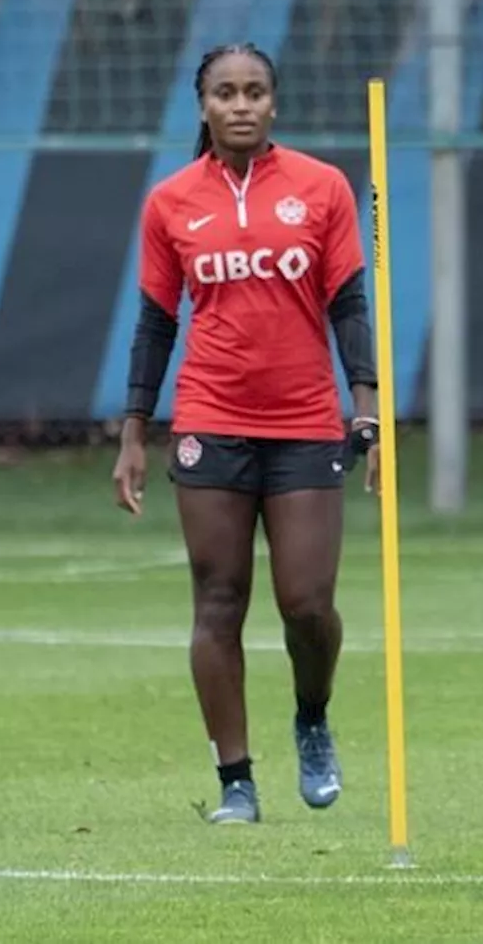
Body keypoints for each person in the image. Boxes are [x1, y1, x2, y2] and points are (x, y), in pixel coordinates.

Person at [111, 43, 381, 825]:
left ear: (273, 104)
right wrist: (134, 431)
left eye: (254, 92)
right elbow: (156, 324)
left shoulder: (320, 188)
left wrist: (364, 400)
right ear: (203, 105)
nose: (239, 104)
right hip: (209, 419)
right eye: (224, 92)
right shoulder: (170, 202)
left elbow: (349, 305)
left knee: (306, 603)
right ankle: (236, 781)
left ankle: (312, 716)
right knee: (218, 600)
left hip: (302, 422)